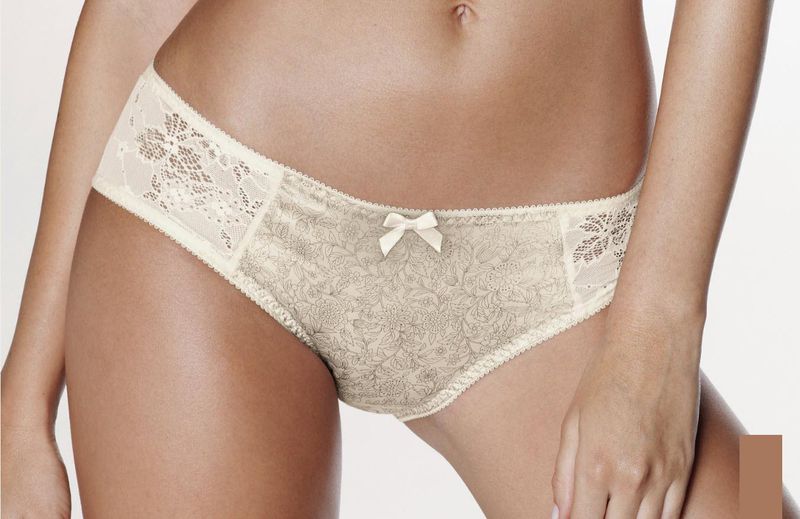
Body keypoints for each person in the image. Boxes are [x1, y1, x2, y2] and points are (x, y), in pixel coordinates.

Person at [3, 1, 796, 517]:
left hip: (556, 263)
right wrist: (21, 409)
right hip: (218, 200)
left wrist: (657, 326)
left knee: (763, 496)